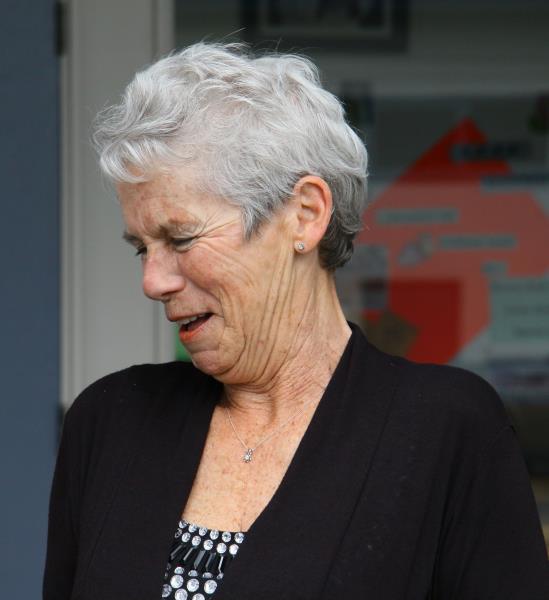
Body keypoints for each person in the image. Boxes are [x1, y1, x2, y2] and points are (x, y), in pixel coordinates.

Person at [43, 42, 549, 600]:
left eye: (181, 238)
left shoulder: (446, 432)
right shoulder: (109, 422)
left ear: (305, 215)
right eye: (142, 247)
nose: (153, 281)